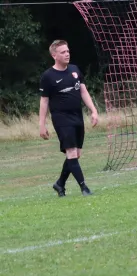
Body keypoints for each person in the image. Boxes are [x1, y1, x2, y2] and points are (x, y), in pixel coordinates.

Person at [39, 40, 98, 196]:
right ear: (54, 55)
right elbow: (44, 101)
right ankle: (84, 188)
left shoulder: (74, 70)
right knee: (71, 153)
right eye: (63, 52)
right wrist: (42, 124)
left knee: (75, 155)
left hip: (77, 116)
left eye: (68, 51)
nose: (67, 54)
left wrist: (93, 110)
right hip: (61, 118)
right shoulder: (48, 76)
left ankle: (60, 184)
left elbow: (83, 92)